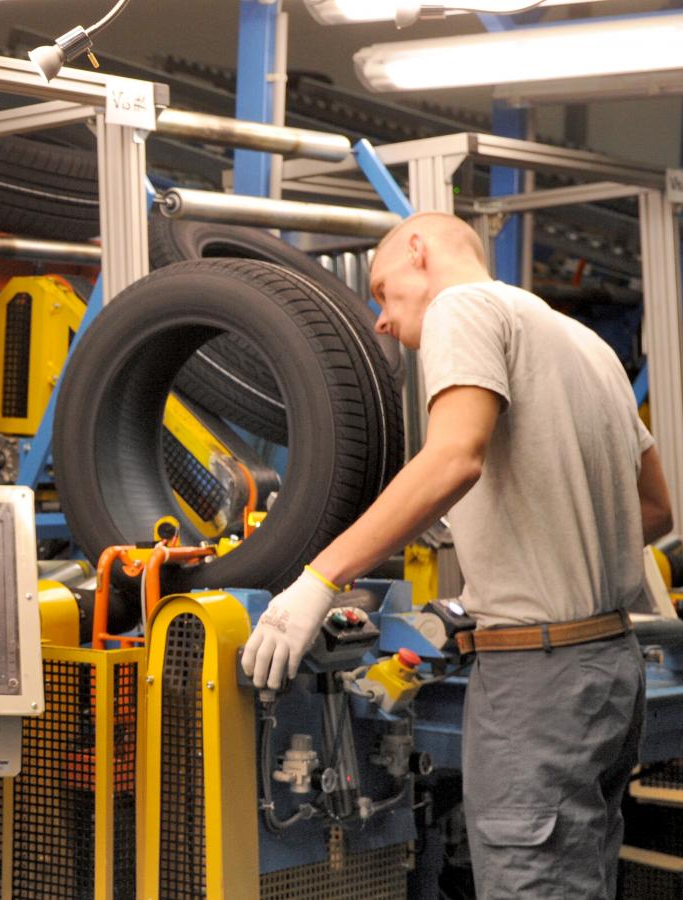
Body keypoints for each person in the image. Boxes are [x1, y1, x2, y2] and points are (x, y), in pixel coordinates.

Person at [241, 212, 672, 898]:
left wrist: (320, 578)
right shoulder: (584, 343)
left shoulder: (461, 307)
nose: (382, 319)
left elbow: (454, 457)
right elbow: (654, 511)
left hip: (538, 680)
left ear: (420, 250)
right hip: (609, 672)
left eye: (383, 291)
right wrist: (526, 567)